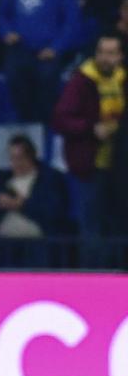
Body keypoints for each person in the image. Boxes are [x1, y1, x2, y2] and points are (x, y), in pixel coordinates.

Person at [52, 34, 125, 266]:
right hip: (88, 168)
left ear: (121, 56)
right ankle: (93, 279)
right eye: (102, 52)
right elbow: (60, 119)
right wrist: (91, 129)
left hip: (118, 169)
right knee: (90, 228)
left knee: (117, 225)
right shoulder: (82, 81)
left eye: (111, 53)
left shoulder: (123, 81)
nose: (106, 58)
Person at [0, 0, 80, 123]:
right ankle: (24, 130)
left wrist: (56, 48)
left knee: (46, 88)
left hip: (48, 50)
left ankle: (45, 133)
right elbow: (2, 12)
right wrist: (6, 32)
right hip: (20, 48)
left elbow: (72, 19)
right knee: (14, 80)